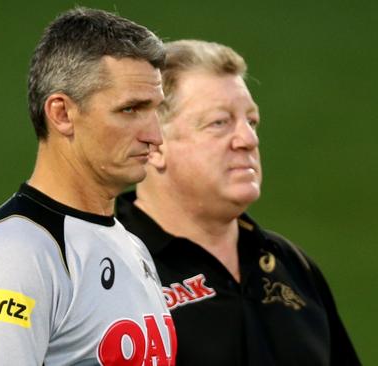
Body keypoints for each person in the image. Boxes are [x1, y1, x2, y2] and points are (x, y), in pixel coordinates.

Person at [0, 8, 177, 366]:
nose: (154, 136)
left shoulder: (131, 247)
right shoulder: (15, 259)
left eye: (155, 111)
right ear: (62, 114)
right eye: (131, 109)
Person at [116, 40, 360, 365]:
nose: (248, 139)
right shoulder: (104, 270)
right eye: (220, 122)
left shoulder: (292, 267)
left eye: (251, 121)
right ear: (155, 144)